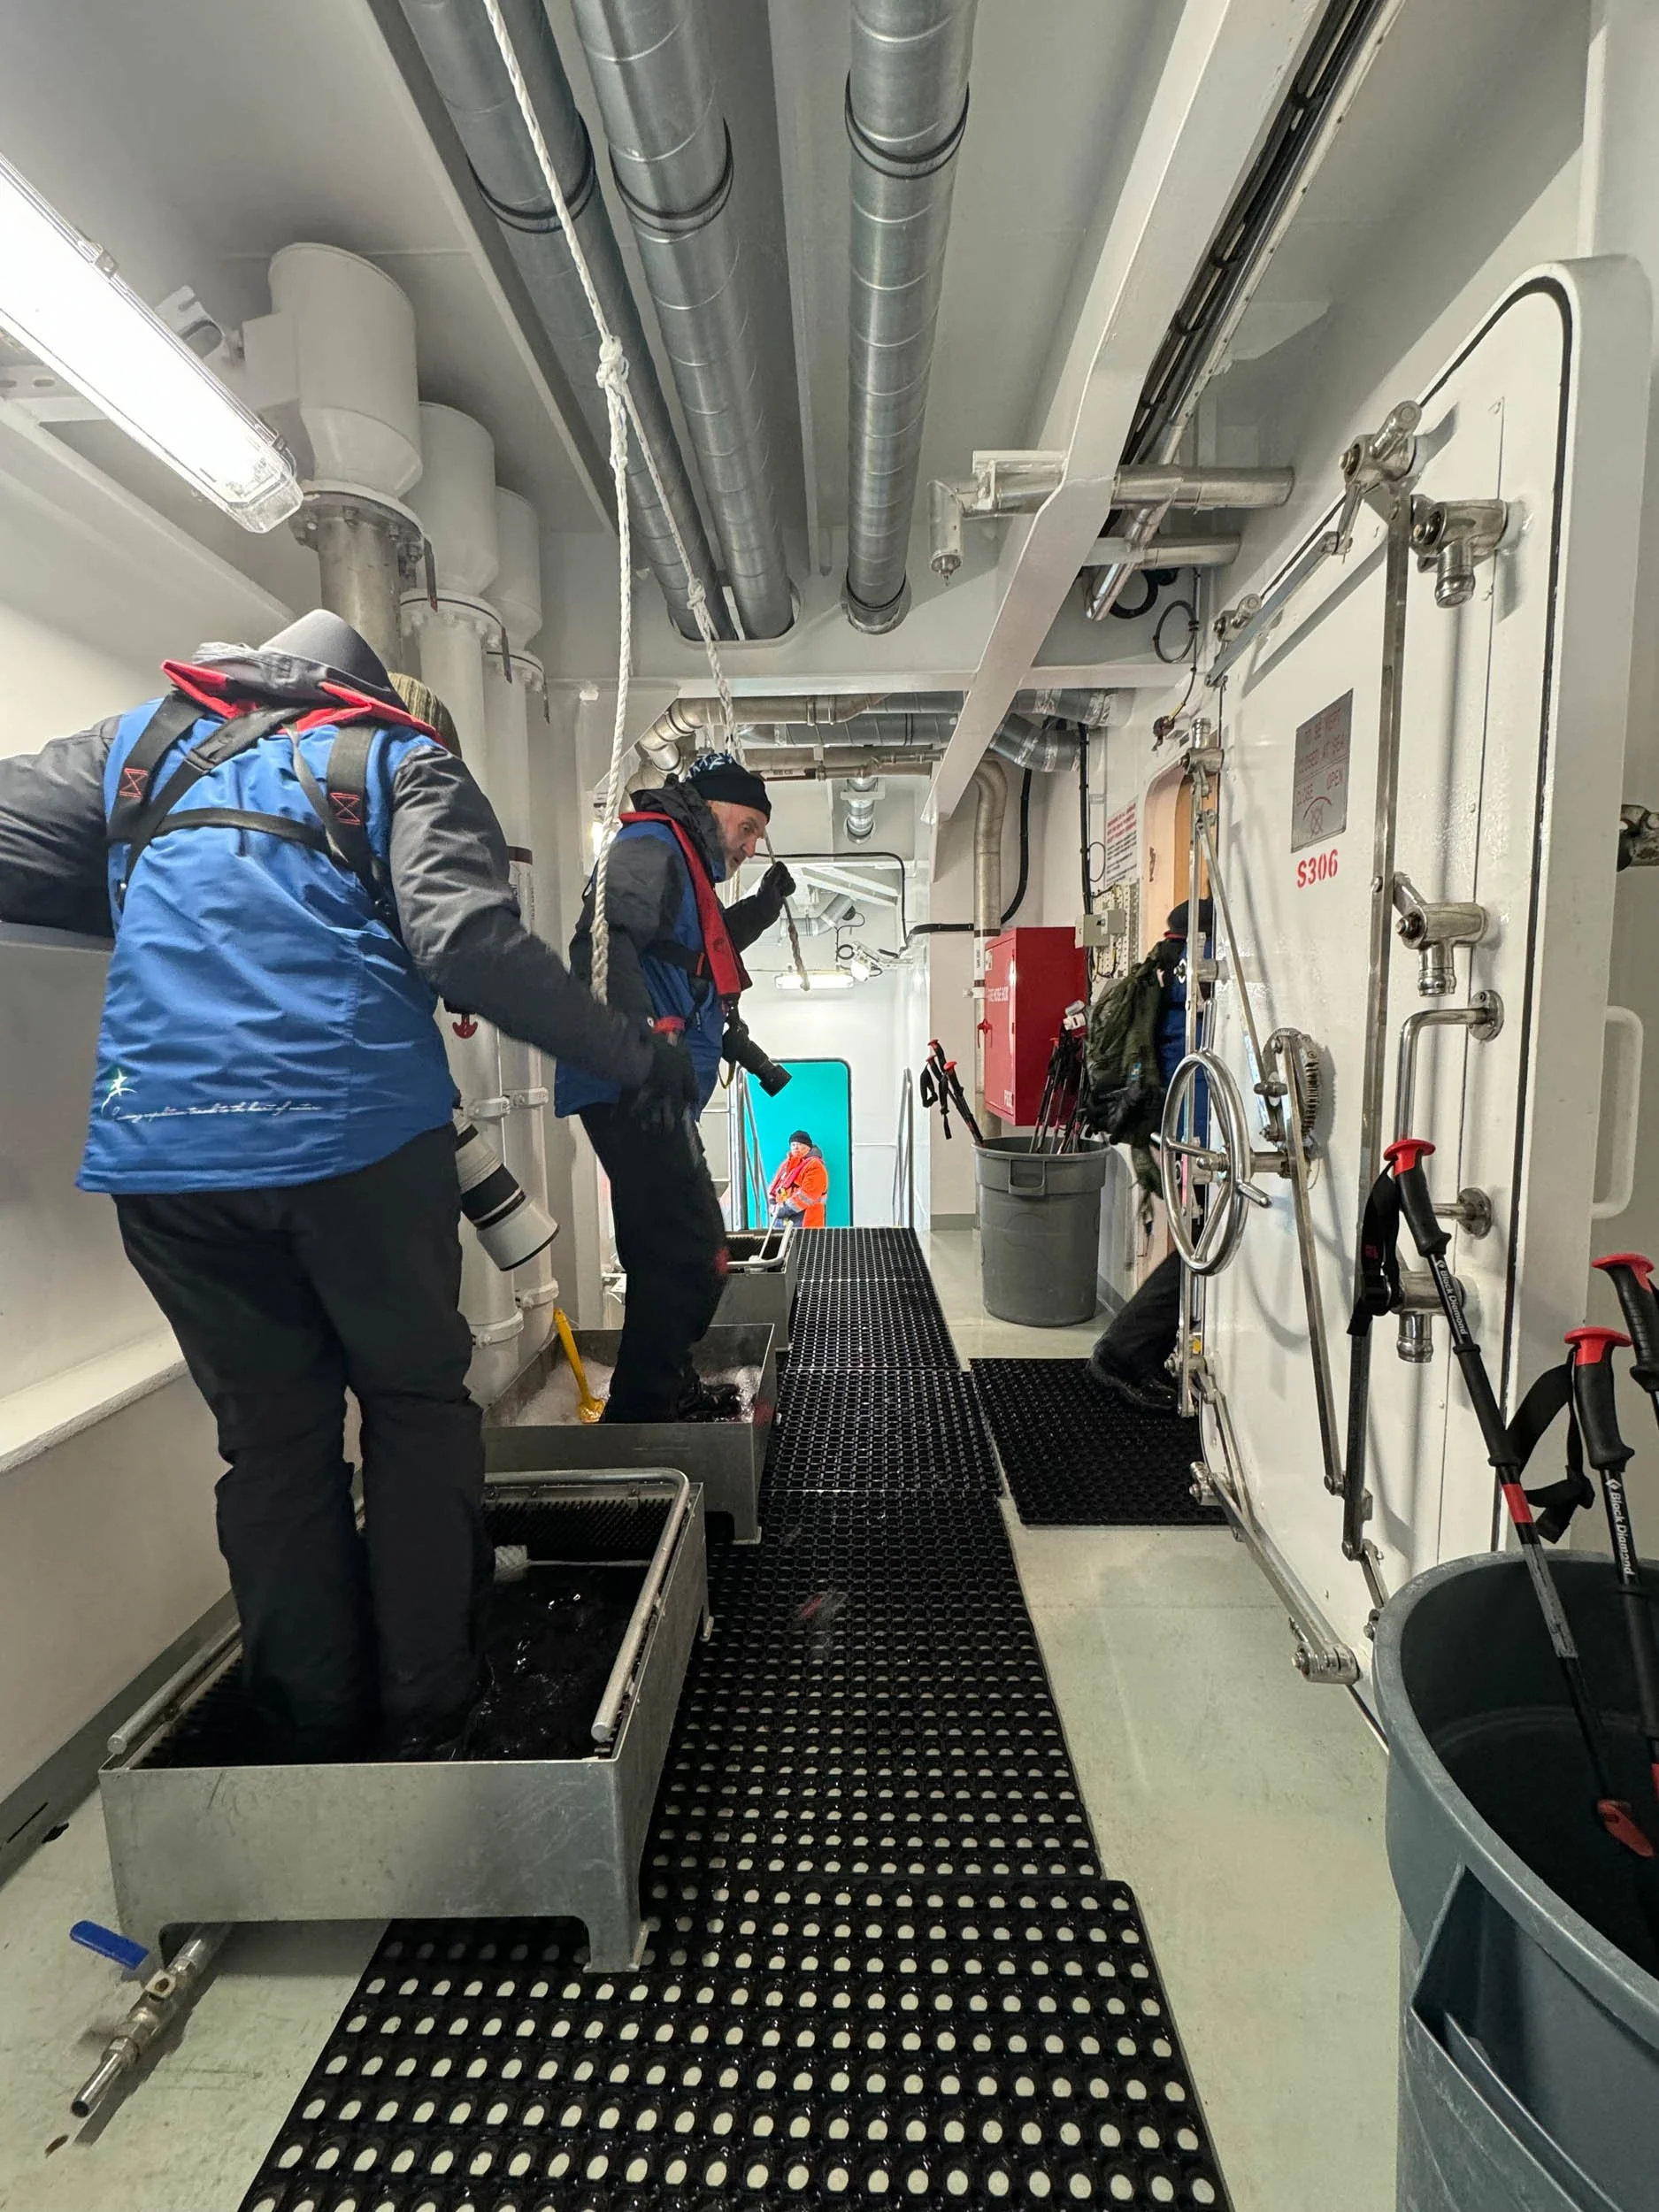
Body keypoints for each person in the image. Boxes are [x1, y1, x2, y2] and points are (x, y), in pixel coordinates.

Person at [0, 611, 695, 1763]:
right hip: (353, 1142)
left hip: (167, 1161)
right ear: (375, 696)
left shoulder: (139, 748)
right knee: (417, 1414)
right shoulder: (398, 760)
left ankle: (309, 1732)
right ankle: (429, 1714)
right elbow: (466, 947)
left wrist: (147, 908)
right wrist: (637, 1054)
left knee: (272, 1446)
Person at [557, 753, 796, 1421]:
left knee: (660, 1251)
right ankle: (648, 1406)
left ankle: (653, 1392)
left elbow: (700, 949)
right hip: (632, 1083)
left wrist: (765, 907)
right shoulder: (651, 845)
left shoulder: (680, 864)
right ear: (710, 808)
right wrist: (649, 1041)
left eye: (756, 837)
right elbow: (600, 942)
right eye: (745, 829)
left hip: (647, 1086)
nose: (749, 847)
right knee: (694, 1253)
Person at [1087, 896, 1212, 1414]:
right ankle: (1125, 1351)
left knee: (1200, 1245)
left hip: (1177, 1130)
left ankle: (1137, 1348)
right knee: (1202, 1249)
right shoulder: (1193, 976)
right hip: (1205, 1134)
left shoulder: (1161, 970)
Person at [769, 1130, 829, 1229]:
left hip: (807, 1222)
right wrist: (772, 1205)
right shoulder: (785, 1165)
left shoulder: (815, 1166)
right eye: (793, 1144)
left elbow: (806, 1195)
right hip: (782, 1221)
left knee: (805, 1244)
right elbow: (773, 1187)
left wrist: (780, 1210)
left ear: (808, 1147)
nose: (796, 1147)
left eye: (800, 1144)